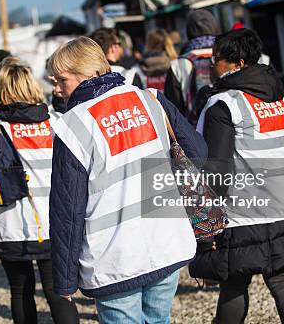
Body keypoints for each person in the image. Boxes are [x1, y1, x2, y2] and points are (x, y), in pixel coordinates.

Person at [47, 37, 208, 323]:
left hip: (115, 256)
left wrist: (64, 279)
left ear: (89, 74)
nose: (56, 89)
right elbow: (198, 152)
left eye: (61, 80)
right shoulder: (149, 99)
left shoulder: (72, 126)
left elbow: (67, 210)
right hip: (166, 242)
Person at [193, 29, 284, 324]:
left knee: (234, 283)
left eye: (216, 59)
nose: (211, 66)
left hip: (246, 213)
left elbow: (216, 170)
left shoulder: (224, 104)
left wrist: (206, 221)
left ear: (238, 62)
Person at [0, 57, 79, 324]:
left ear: (1, 90)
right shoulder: (57, 122)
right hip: (54, 222)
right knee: (60, 293)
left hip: (8, 226)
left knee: (19, 291)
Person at [164, 10, 221, 122]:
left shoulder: (178, 64)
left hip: (195, 130)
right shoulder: (228, 56)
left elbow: (173, 108)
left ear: (189, 31)